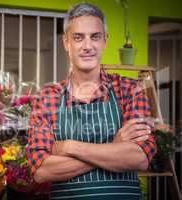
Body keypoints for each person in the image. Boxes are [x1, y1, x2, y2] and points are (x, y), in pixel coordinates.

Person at [27, 3, 157, 200]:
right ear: (66, 43)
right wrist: (114, 147)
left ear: (105, 41)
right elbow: (41, 171)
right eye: (78, 37)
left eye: (95, 37)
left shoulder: (130, 90)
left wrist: (69, 147)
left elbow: (140, 158)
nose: (87, 46)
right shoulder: (47, 97)